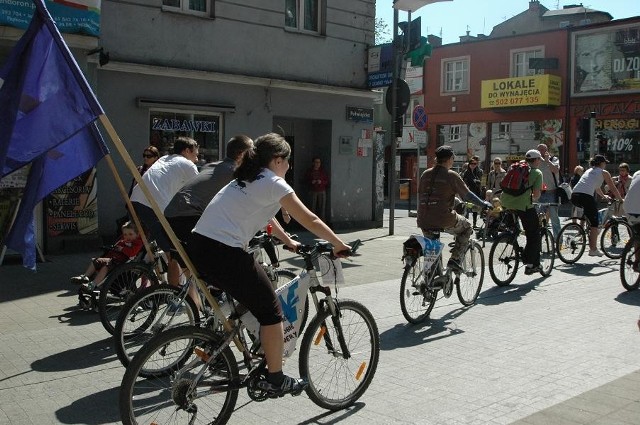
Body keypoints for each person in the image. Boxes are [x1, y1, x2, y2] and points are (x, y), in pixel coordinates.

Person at [186, 133, 351, 397]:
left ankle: (225, 342)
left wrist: (288, 241)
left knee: (252, 296)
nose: (290, 166)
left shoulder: (246, 177)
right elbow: (310, 219)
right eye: (287, 161)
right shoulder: (274, 183)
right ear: (277, 160)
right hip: (224, 252)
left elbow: (263, 217)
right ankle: (275, 379)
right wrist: (339, 243)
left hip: (198, 246)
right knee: (272, 314)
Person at [163, 135, 254, 299]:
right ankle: (216, 290)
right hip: (187, 215)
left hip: (172, 213)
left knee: (188, 266)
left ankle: (195, 310)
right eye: (251, 151)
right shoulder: (235, 172)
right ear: (241, 154)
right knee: (217, 255)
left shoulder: (215, 165)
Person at [129, 137, 199, 282]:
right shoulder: (187, 165)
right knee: (174, 252)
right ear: (187, 151)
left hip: (136, 200)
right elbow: (199, 192)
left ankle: (149, 281)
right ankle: (176, 293)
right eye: (196, 154)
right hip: (152, 206)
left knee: (155, 248)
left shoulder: (166, 159)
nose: (197, 159)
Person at [417, 145, 491, 272]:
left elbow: (428, 194)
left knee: (432, 250)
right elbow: (468, 195)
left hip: (423, 219)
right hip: (443, 218)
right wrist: (483, 204)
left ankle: (431, 279)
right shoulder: (451, 175)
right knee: (467, 227)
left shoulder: (425, 173)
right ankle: (455, 259)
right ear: (451, 158)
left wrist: (454, 201)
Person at [500, 150, 544, 275]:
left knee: (515, 228)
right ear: (535, 160)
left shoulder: (515, 167)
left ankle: (512, 238)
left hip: (505, 203)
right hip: (523, 206)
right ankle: (530, 264)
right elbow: (536, 195)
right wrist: (533, 199)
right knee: (533, 233)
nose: (540, 162)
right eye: (539, 159)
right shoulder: (537, 173)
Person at [571, 155, 623, 257]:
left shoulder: (589, 171)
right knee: (595, 223)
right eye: (605, 163)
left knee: (589, 216)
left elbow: (595, 187)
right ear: (601, 163)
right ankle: (593, 249)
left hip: (575, 195)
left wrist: (603, 196)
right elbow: (612, 187)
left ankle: (583, 231)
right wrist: (621, 199)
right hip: (585, 197)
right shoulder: (604, 172)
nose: (605, 165)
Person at [71, 221, 143, 291]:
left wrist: (122, 249)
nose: (127, 237)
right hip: (112, 259)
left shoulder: (137, 243)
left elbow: (132, 253)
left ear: (137, 234)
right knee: (95, 261)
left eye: (130, 234)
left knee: (105, 267)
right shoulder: (122, 241)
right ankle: (85, 276)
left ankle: (92, 285)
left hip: (120, 262)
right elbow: (114, 250)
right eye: (125, 234)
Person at [536, 143, 561, 237]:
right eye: (539, 150)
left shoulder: (553, 159)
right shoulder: (536, 161)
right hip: (540, 192)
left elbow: (555, 170)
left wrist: (547, 161)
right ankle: (537, 239)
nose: (540, 152)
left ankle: (558, 240)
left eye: (542, 150)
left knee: (554, 218)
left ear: (546, 150)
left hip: (552, 192)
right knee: (537, 217)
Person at [461, 158, 483, 228]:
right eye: (472, 164)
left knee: (475, 209)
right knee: (467, 208)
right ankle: (465, 223)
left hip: (477, 191)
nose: (473, 165)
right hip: (469, 192)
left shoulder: (479, 172)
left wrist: (478, 182)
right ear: (469, 164)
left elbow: (481, 181)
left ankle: (474, 224)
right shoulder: (466, 172)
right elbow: (464, 182)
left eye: (475, 164)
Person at [305, 157, 329, 221]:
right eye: (316, 162)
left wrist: (321, 182)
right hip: (313, 191)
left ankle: (322, 221)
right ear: (313, 163)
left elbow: (326, 181)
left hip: (322, 190)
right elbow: (306, 180)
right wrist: (311, 182)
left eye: (319, 162)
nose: (317, 164)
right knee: (312, 207)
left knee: (322, 207)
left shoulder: (323, 171)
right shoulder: (310, 171)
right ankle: (311, 221)